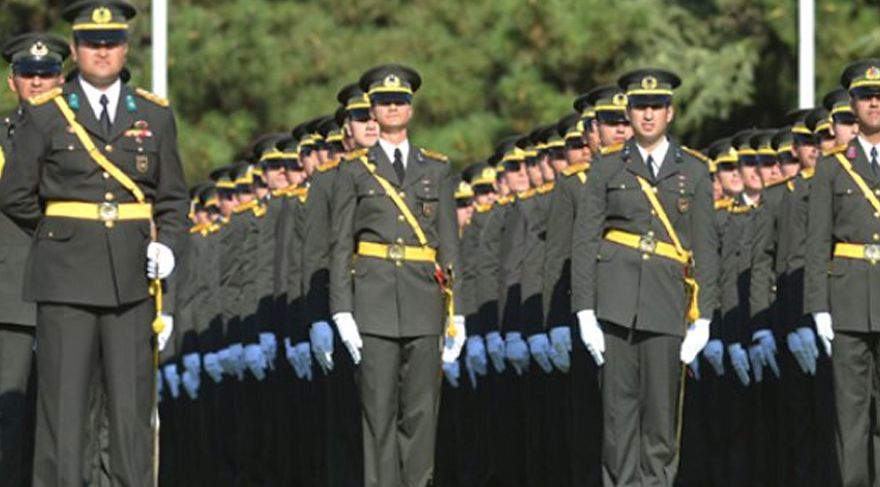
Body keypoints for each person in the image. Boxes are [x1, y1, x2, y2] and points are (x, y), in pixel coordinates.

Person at [0, 1, 188, 485]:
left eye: (111, 43)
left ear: (125, 48)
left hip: (131, 281)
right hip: (65, 280)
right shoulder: (47, 113)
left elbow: (172, 198)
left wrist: (167, 245)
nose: (102, 52)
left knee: (129, 416)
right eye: (91, 43)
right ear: (76, 48)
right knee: (62, 417)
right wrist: (60, 235)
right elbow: (16, 194)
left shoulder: (153, 115)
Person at [571, 68, 718, 486]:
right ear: (629, 112)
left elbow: (706, 247)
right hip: (615, 304)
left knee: (661, 422)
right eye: (640, 107)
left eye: (656, 107)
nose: (648, 115)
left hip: (668, 304)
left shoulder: (694, 169)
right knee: (618, 422)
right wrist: (584, 311)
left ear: (670, 112)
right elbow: (585, 240)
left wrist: (705, 317)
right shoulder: (607, 167)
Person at [329, 63, 463, 487]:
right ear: (372, 109)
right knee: (378, 413)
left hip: (424, 300)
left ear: (411, 108)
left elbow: (449, 244)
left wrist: (457, 313)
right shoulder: (354, 170)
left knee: (421, 413)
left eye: (400, 101)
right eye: (384, 102)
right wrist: (341, 309)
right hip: (374, 301)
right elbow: (340, 244)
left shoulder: (436, 168)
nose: (392, 108)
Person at [805, 58, 880, 487]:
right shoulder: (833, 167)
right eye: (866, 96)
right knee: (850, 414)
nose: (874, 103)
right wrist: (819, 307)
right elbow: (817, 241)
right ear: (852, 104)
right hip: (848, 300)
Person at [0, 31, 68, 487]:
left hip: (74, 289)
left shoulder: (87, 135)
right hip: (12, 296)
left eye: (47, 73)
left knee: (66, 418)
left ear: (62, 79)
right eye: (28, 73)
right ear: (13, 81)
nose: (38, 81)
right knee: (10, 415)